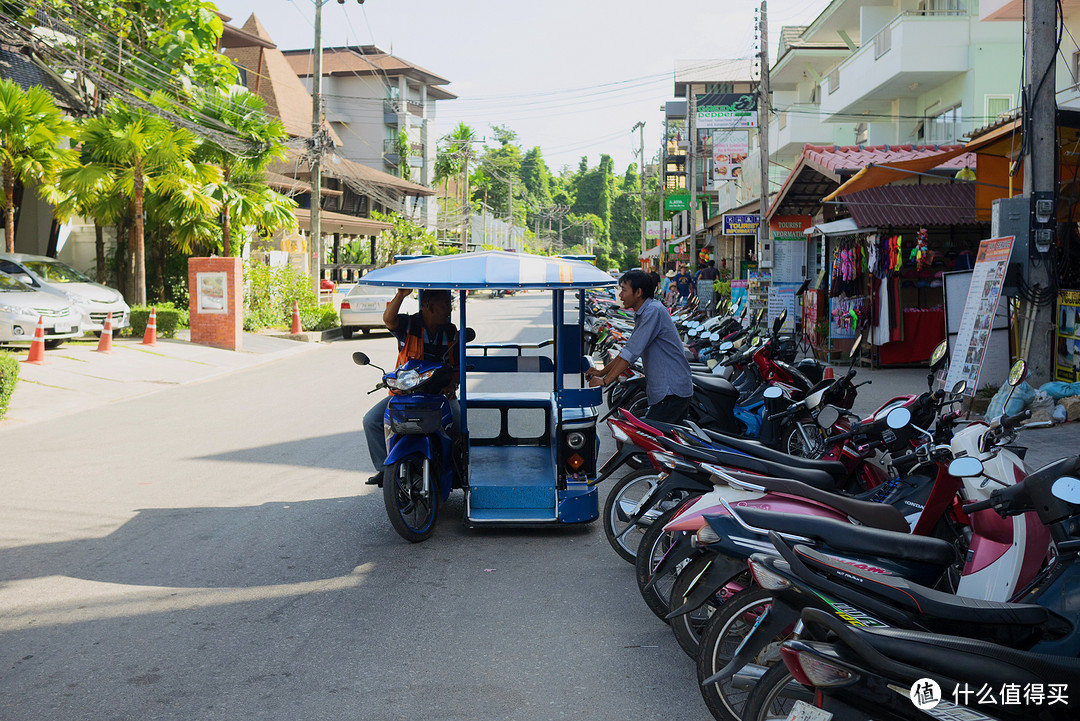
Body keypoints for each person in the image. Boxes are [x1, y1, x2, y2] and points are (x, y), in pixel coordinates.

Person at [363, 288, 461, 487]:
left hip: (439, 397)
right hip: (406, 395)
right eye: (445, 304)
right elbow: (388, 320)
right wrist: (400, 295)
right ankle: (385, 471)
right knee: (371, 420)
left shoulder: (450, 332)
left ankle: (457, 469)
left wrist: (452, 384)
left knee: (459, 422)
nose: (449, 309)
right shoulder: (408, 325)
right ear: (430, 306)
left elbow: (458, 367)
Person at [586, 269, 693, 423]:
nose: (621, 295)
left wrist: (605, 380)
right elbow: (627, 350)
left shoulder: (653, 311)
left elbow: (631, 353)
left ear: (638, 292)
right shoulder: (645, 312)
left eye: (624, 290)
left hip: (671, 390)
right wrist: (602, 372)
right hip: (667, 390)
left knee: (655, 440)